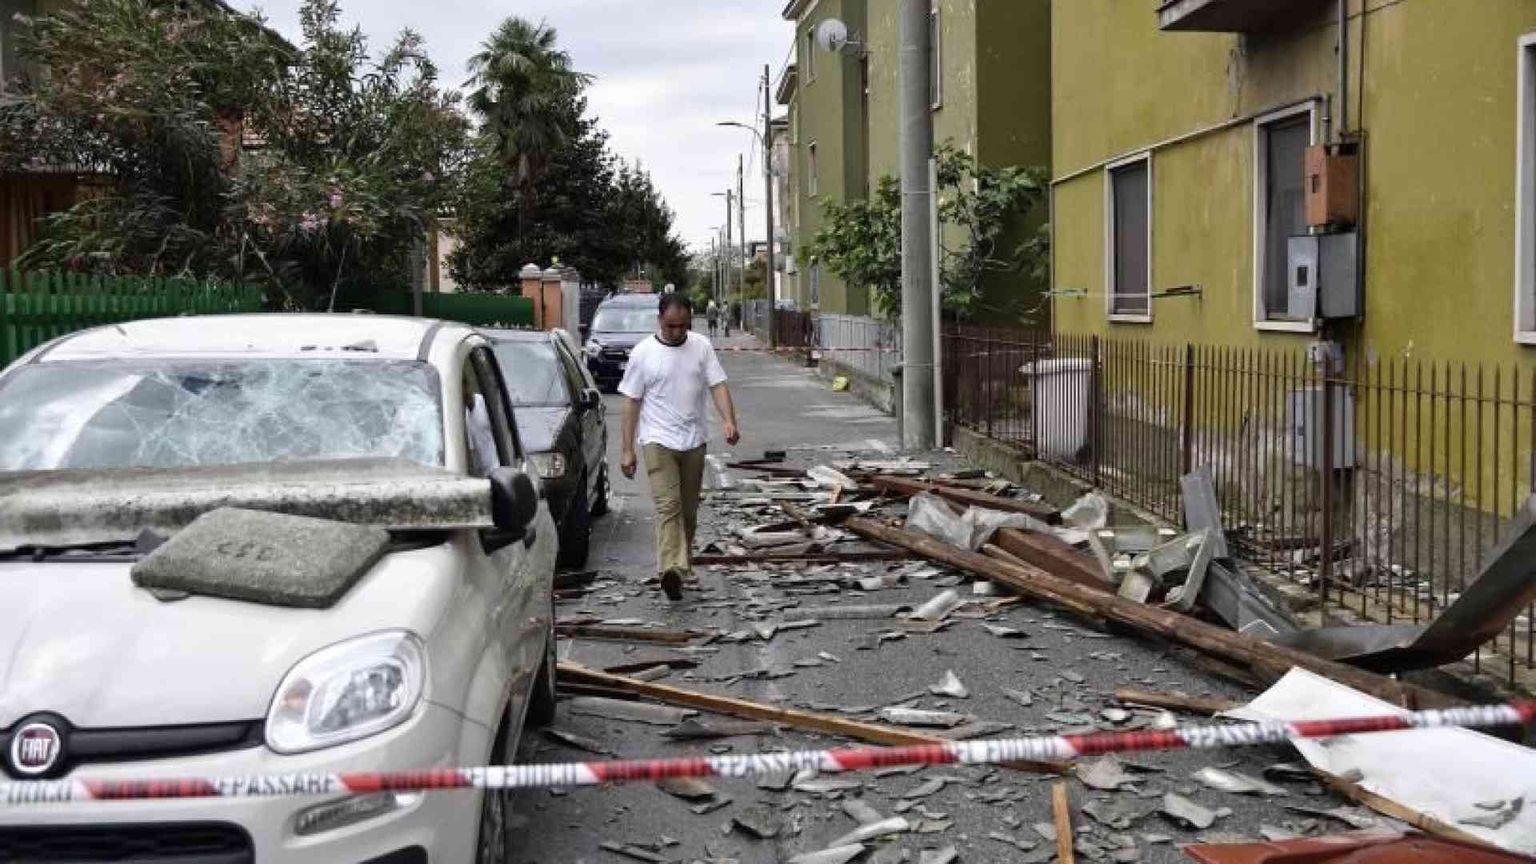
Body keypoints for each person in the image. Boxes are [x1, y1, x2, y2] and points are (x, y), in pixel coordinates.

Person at [618, 293, 741, 600]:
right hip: (657, 440)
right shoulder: (643, 353)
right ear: (659, 319)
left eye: (683, 325)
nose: (677, 331)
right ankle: (670, 569)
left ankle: (680, 565)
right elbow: (631, 402)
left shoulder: (701, 346)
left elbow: (718, 385)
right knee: (667, 506)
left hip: (694, 440)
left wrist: (729, 421)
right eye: (671, 325)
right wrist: (627, 449)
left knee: (688, 511)